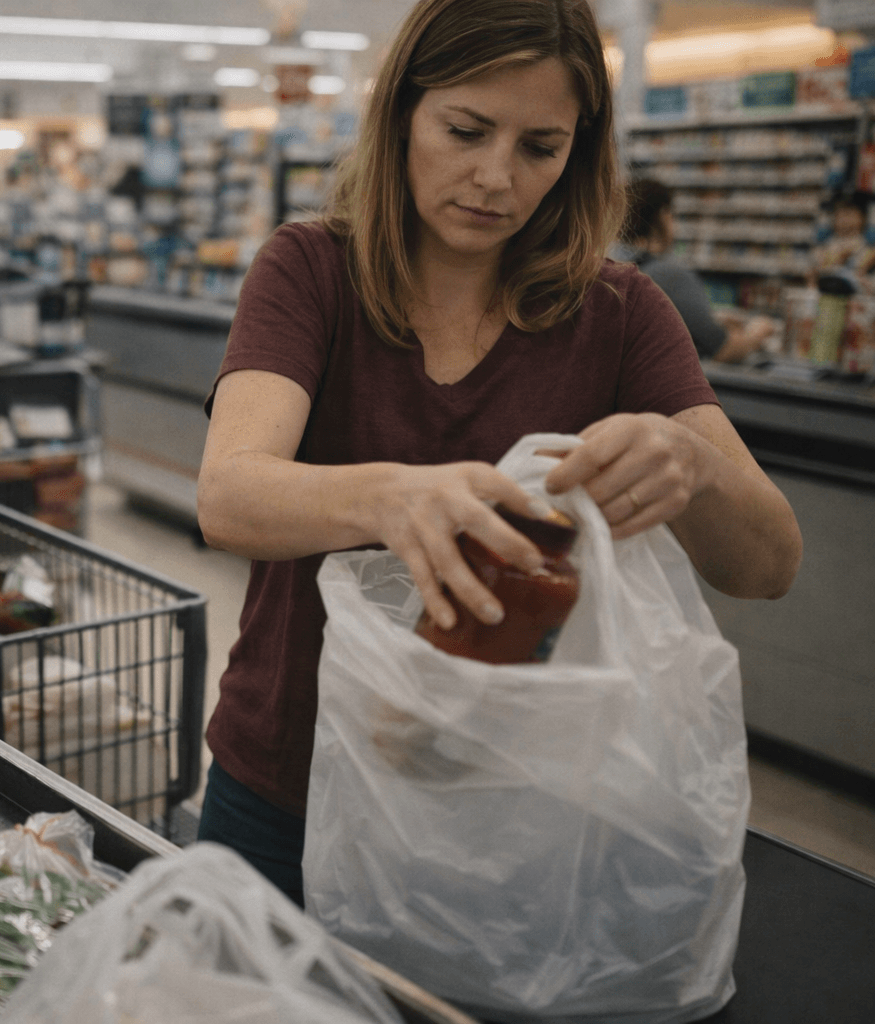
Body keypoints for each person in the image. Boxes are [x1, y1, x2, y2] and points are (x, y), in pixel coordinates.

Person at [195, 0, 802, 905]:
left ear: (579, 153)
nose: (494, 178)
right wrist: (390, 499)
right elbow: (230, 497)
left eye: (539, 148)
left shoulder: (622, 315)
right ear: (403, 108)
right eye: (465, 130)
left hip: (516, 806)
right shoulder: (311, 270)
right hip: (292, 784)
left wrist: (694, 462)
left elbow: (767, 565)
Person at [612, 178, 777, 363]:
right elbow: (723, 349)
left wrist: (712, 319)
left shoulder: (616, 265)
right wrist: (757, 333)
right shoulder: (669, 274)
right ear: (663, 216)